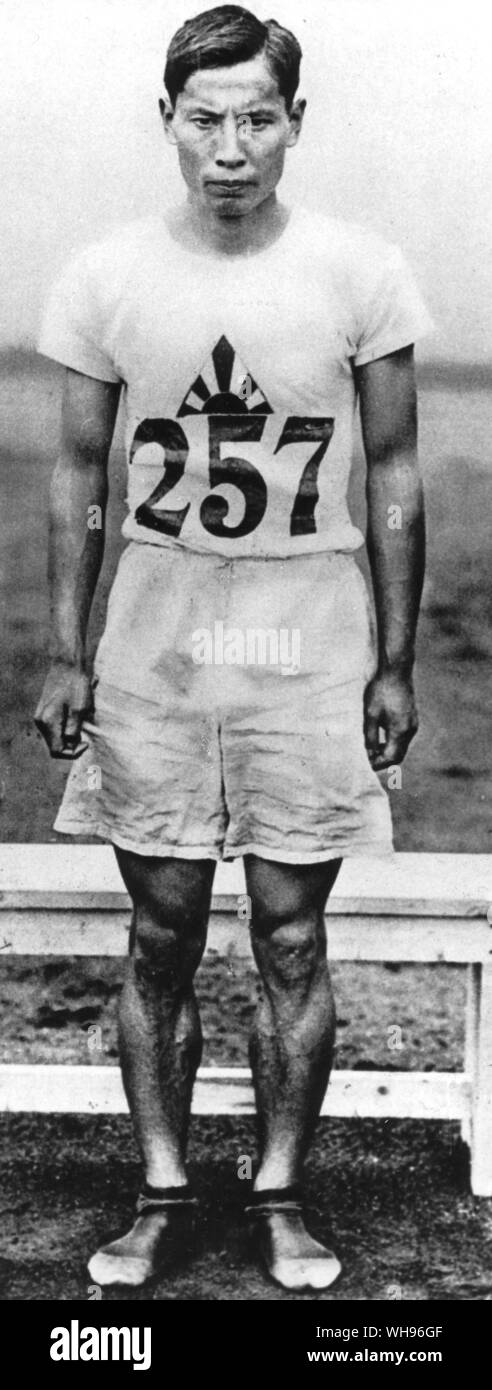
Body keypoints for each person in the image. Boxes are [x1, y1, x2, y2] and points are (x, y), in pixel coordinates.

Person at [35, 4, 432, 1293]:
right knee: (156, 931)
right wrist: (65, 650)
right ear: (169, 123)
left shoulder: (361, 272)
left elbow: (393, 471)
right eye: (204, 118)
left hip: (308, 623)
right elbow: (81, 474)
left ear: (294, 124)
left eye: (257, 116)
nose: (229, 146)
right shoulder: (103, 277)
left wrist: (395, 661)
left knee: (291, 935)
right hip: (160, 623)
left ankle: (279, 1194)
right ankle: (158, 1193)